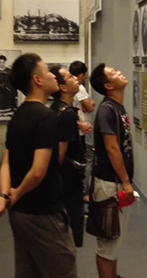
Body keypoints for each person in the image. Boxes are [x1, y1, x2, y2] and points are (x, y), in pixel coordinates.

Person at [0, 53, 77, 278]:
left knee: (29, 271)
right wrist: (16, 193)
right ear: (37, 80)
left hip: (20, 212)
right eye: (47, 71)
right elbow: (38, 172)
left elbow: (6, 162)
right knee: (63, 271)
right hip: (43, 212)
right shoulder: (46, 117)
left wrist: (5, 195)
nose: (53, 75)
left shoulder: (18, 116)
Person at [90, 63, 135, 278]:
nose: (119, 72)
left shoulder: (116, 107)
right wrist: (125, 181)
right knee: (108, 243)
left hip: (115, 182)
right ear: (108, 85)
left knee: (114, 240)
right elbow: (112, 147)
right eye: (113, 73)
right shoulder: (107, 110)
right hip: (110, 183)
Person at [50, 65, 85, 247]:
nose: (76, 79)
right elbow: (60, 156)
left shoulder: (57, 109)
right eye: (71, 77)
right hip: (68, 184)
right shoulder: (67, 115)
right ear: (62, 87)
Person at [68, 60, 94, 198]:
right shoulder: (80, 88)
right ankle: (84, 191)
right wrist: (90, 103)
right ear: (82, 74)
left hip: (78, 129)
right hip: (82, 130)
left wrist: (90, 102)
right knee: (87, 159)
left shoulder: (71, 87)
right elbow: (89, 107)